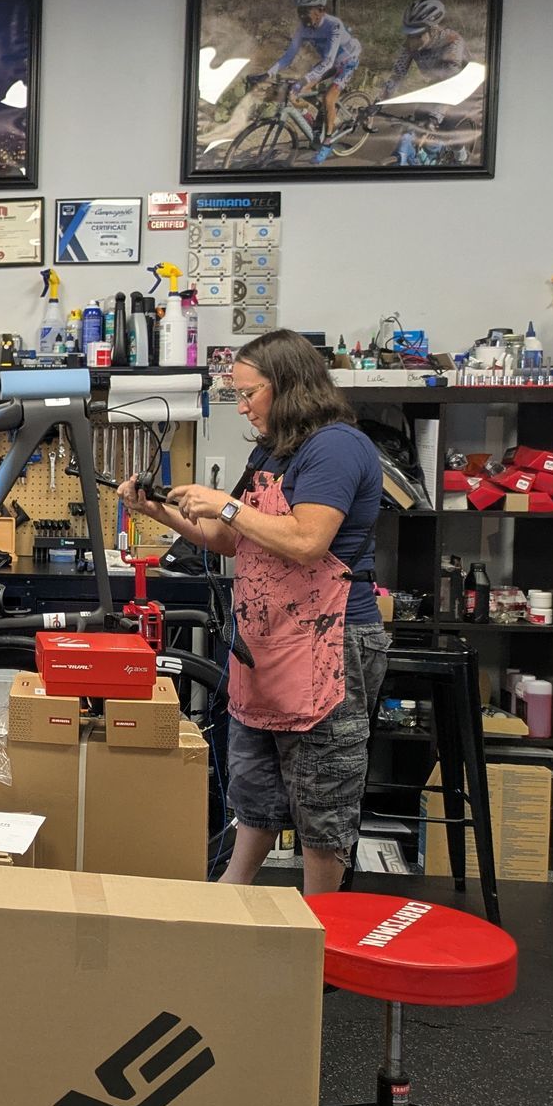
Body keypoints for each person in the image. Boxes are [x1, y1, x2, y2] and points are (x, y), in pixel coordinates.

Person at [119, 329, 388, 896]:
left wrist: (228, 502)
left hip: (327, 641)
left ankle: (322, 932)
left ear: (288, 385)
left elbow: (308, 539)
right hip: (265, 639)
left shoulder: (336, 447)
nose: (241, 407)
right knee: (255, 784)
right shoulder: (274, 449)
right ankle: (231, 891)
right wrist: (158, 510)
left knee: (322, 794)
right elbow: (224, 538)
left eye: (249, 394)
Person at [249, 0, 362, 163]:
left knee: (329, 98)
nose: (301, 16)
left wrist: (304, 80)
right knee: (297, 92)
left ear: (320, 10)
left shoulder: (334, 25)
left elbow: (328, 62)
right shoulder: (303, 28)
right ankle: (318, 120)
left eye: (306, 11)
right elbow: (288, 56)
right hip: (329, 62)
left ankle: (327, 141)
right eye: (299, 11)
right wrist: (267, 74)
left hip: (347, 60)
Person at [377, 0, 472, 160]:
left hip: (461, 85)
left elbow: (450, 84)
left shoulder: (453, 43)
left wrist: (435, 117)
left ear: (432, 30)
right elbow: (398, 73)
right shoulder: (412, 44)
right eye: (408, 35)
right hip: (437, 83)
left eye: (416, 35)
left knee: (447, 126)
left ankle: (460, 155)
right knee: (418, 119)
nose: (410, 41)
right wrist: (379, 102)